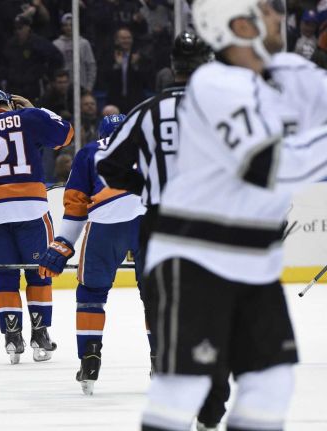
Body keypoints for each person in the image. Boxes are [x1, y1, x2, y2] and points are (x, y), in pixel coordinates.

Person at [137, 1, 327, 430]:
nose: (276, 16)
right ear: (236, 25)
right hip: (196, 254)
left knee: (271, 382)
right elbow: (265, 165)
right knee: (183, 387)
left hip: (252, 260)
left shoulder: (290, 72)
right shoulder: (214, 84)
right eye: (263, 11)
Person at [96, 31, 229, 430]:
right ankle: (210, 410)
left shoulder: (146, 111)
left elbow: (108, 166)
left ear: (173, 66)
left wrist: (145, 187)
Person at [0, 90, 73, 364]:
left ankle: (12, 338)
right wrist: (35, 108)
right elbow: (65, 135)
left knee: (4, 277)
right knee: (39, 271)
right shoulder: (28, 116)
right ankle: (39, 335)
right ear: (10, 104)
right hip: (30, 208)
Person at [38, 114, 151, 396]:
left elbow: (76, 205)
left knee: (91, 294)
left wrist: (62, 245)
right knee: (157, 295)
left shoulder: (89, 151)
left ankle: (89, 358)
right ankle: (161, 361)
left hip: (106, 223)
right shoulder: (150, 144)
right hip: (149, 221)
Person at [53, 13, 97, 92]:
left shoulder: (84, 43)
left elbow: (91, 65)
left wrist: (89, 86)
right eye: (66, 25)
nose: (69, 27)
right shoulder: (56, 44)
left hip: (81, 86)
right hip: (62, 88)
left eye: (71, 25)